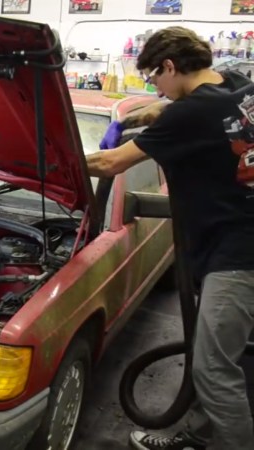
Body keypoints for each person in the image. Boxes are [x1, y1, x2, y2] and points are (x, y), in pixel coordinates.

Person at [86, 26, 254, 450]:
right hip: (235, 238)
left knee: (214, 369)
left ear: (169, 66)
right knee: (213, 358)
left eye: (154, 78)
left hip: (237, 255)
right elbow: (192, 107)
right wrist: (143, 112)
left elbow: (109, 164)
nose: (154, 86)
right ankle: (200, 437)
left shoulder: (189, 115)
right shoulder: (239, 87)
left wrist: (51, 159)